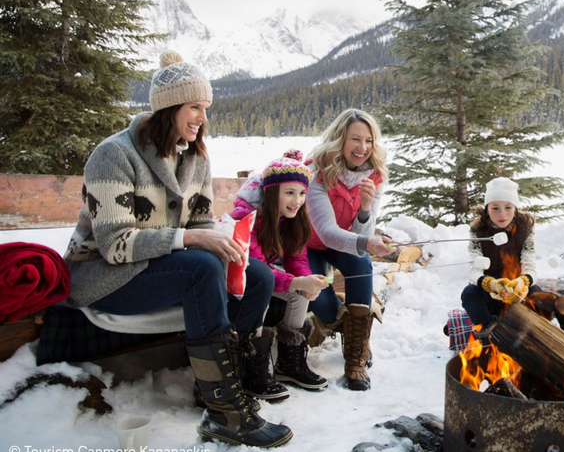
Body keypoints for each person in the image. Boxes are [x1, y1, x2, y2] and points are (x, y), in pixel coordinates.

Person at [62, 51, 291, 448]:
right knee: (201, 267)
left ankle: (221, 384)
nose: (202, 117)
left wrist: (224, 246)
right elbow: (114, 245)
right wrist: (191, 240)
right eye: (194, 107)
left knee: (257, 275)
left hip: (160, 265)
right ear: (169, 107)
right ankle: (225, 415)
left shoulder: (195, 157)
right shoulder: (114, 155)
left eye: (205, 107)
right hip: (106, 275)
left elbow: (201, 223)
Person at [304, 108, 392, 391]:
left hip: (343, 243)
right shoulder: (317, 171)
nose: (363, 148)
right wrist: (366, 243)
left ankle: (356, 355)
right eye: (356, 139)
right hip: (306, 243)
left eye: (369, 141)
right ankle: (347, 325)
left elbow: (358, 239)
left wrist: (365, 208)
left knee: (361, 263)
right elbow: (327, 233)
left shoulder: (374, 176)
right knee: (326, 308)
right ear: (339, 139)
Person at [229, 149, 329, 395]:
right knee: (265, 287)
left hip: (261, 274)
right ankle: (253, 368)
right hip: (236, 280)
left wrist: (305, 280)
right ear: (272, 192)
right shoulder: (247, 217)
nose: (297, 200)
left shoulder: (290, 218)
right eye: (290, 193)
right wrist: (296, 281)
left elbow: (297, 258)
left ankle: (289, 362)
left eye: (302, 193)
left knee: (298, 294)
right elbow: (256, 270)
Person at [461, 177, 538, 331]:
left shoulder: (525, 228)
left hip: (516, 290)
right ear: (487, 209)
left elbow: (530, 264)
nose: (502, 214)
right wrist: (490, 284)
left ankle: (528, 332)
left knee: (539, 296)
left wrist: (523, 281)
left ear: (515, 208)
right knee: (469, 294)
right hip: (491, 292)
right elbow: (473, 268)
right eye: (495, 208)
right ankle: (490, 331)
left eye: (508, 207)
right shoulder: (478, 230)